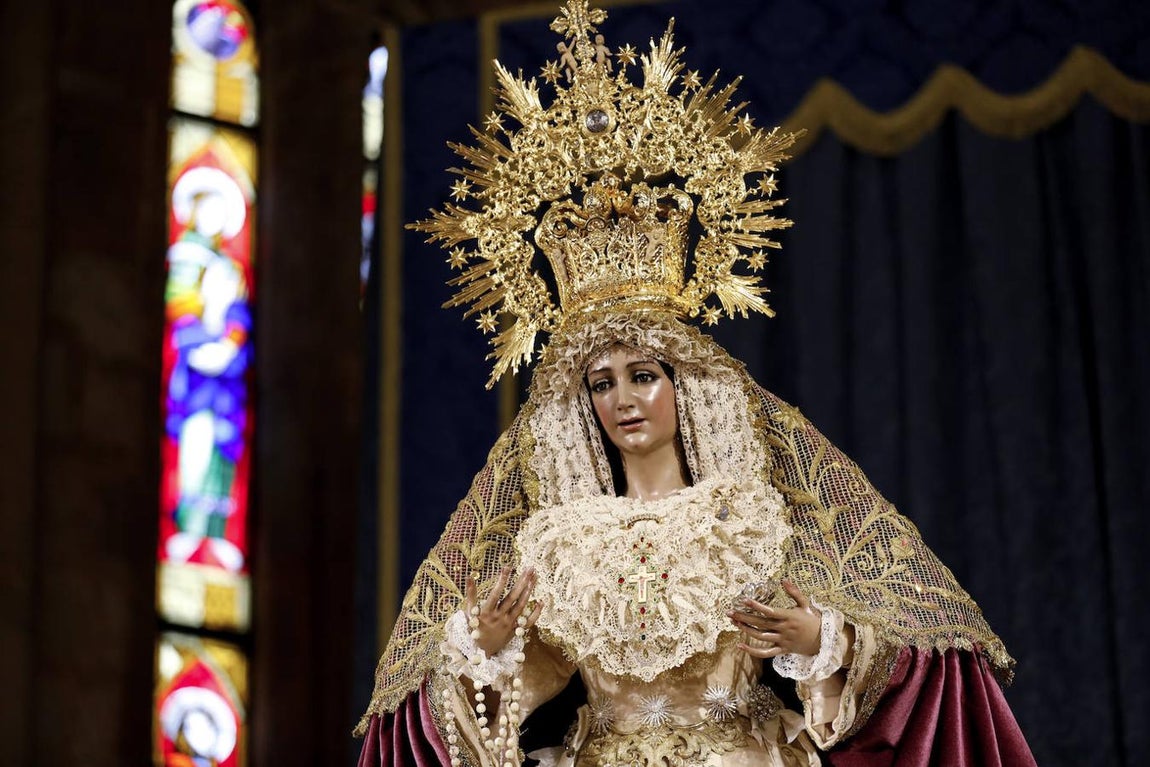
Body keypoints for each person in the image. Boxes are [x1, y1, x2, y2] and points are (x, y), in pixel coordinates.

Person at [357, 3, 1035, 765]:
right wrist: (484, 653)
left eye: (643, 375)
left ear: (686, 387)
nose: (621, 399)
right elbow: (514, 694)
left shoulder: (746, 516)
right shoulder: (558, 543)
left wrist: (822, 642)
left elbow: (877, 640)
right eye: (601, 382)